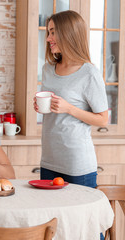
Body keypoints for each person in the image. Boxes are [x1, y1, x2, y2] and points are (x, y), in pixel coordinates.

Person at [33, 10, 108, 188]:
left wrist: (69, 108)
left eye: (53, 32)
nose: (48, 38)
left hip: (77, 163)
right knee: (50, 214)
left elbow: (103, 119)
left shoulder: (89, 73)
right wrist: (39, 105)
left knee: (78, 216)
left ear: (68, 34)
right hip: (49, 159)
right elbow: (52, 105)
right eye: (48, 32)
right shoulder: (48, 69)